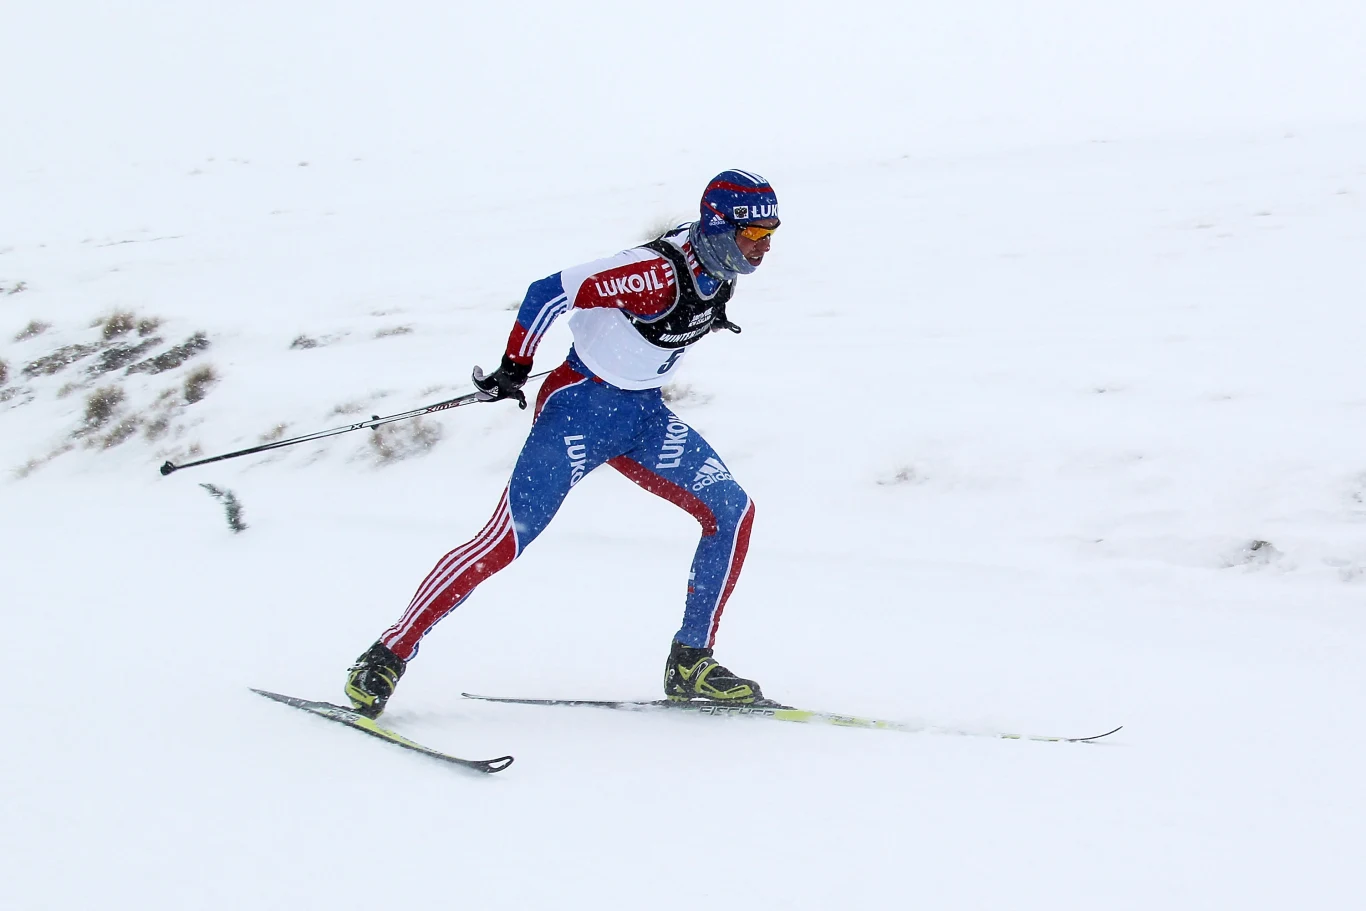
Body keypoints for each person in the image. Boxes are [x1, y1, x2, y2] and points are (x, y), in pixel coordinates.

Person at [343, 170, 780, 718]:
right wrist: (514, 366)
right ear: (720, 227)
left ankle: (691, 661)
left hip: (643, 419)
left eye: (770, 236)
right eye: (753, 236)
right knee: (503, 541)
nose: (763, 249)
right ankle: (387, 654)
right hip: (577, 415)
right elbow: (549, 292)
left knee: (732, 510)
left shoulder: (719, 269)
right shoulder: (652, 273)